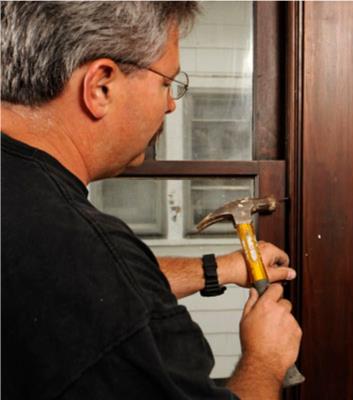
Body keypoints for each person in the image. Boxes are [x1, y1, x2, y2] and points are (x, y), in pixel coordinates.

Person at [1, 2, 302, 399]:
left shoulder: (35, 218)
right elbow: (99, 278)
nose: (171, 104)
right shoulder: (85, 251)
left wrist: (222, 268)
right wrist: (264, 360)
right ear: (101, 86)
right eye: (166, 82)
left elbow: (98, 285)